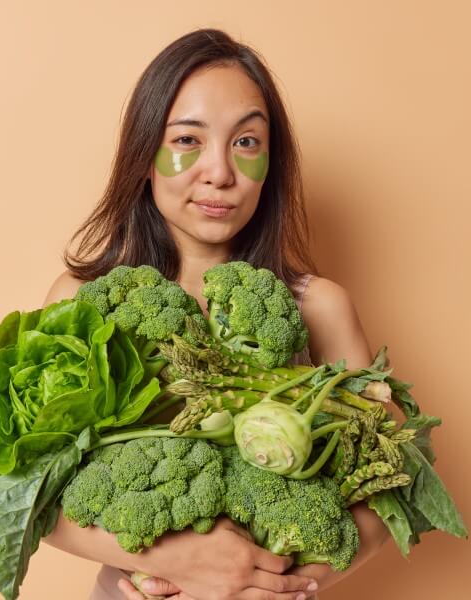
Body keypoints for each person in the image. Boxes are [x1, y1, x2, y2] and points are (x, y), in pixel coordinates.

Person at [41, 28, 391, 600]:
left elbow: (390, 494)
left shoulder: (319, 307)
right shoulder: (83, 299)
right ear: (144, 153)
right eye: (187, 139)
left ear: (271, 160)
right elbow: (30, 487)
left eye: (247, 142)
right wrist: (169, 561)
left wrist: (276, 584)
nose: (220, 172)